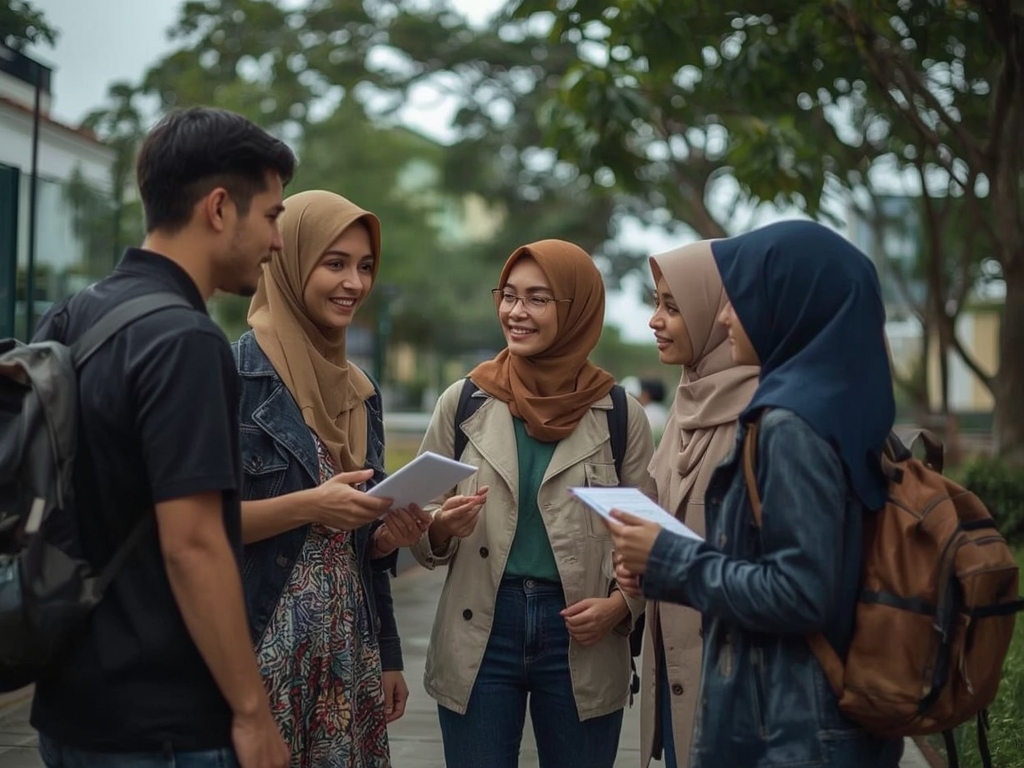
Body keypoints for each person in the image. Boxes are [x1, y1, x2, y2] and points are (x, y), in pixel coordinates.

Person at [30, 107, 295, 768]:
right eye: (270, 216)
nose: (277, 242)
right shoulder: (186, 341)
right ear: (217, 209)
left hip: (68, 704)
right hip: (162, 724)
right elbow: (195, 543)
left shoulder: (73, 314)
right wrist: (252, 712)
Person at [609, 220, 905, 767]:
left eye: (741, 298)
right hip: (832, 715)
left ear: (791, 305)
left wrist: (667, 558)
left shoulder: (791, 425)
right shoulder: (848, 407)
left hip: (789, 726)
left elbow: (799, 589)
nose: (723, 315)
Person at [410, 239, 657, 768]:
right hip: (480, 627)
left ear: (577, 309)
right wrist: (439, 529)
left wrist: (620, 608)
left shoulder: (618, 414)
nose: (516, 312)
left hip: (581, 634)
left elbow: (647, 542)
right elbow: (417, 513)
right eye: (509, 295)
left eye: (538, 299)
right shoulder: (464, 400)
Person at [233, 190, 430, 768]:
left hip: (348, 654)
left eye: (366, 266)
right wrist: (313, 506)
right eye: (335, 263)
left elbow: (361, 548)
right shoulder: (234, 377)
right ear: (290, 263)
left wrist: (386, 535)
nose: (354, 283)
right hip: (261, 651)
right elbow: (199, 529)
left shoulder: (359, 391)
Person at [639, 243, 759, 768]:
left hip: (734, 678)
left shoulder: (760, 413)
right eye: (656, 303)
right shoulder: (687, 404)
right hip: (675, 667)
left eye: (673, 306)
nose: (654, 321)